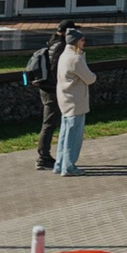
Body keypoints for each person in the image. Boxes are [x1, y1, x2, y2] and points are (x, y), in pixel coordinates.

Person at [30, 19, 75, 171]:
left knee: (51, 122)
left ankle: (47, 156)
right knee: (49, 123)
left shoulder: (52, 42)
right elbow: (57, 70)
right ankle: (43, 157)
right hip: (52, 90)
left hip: (46, 88)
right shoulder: (61, 46)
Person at [52, 27, 95, 177]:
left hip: (65, 100)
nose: (84, 43)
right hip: (76, 102)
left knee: (64, 135)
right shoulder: (76, 59)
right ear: (76, 42)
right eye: (82, 40)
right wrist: (82, 56)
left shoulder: (64, 55)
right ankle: (69, 167)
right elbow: (90, 78)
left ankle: (59, 164)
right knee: (74, 137)